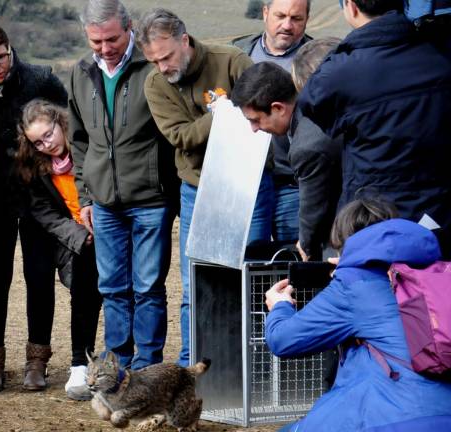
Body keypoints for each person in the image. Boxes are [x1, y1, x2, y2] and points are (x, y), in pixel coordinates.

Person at [264, 198, 451, 431]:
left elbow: (283, 341)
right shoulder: (450, 274)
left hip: (400, 416)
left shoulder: (353, 283)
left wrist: (280, 306)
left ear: (343, 242)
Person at [297, 0, 451, 260]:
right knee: (438, 295)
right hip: (439, 214)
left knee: (381, 296)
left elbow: (313, 102)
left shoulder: (344, 69)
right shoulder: (445, 51)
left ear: (351, 5)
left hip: (375, 219)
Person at [137, 7, 252, 367]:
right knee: (195, 285)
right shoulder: (155, 84)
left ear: (184, 40)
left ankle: (250, 366)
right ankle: (191, 367)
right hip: (196, 189)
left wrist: (229, 113)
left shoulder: (231, 62)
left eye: (167, 56)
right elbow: (181, 138)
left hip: (245, 187)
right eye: (153, 60)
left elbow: (260, 110)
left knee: (248, 277)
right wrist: (225, 112)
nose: (162, 66)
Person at [68, 0, 178, 371]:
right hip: (103, 202)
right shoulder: (81, 72)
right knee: (112, 288)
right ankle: (117, 365)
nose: (104, 48)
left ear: (128, 26)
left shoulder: (152, 68)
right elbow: (78, 140)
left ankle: (147, 368)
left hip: (151, 199)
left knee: (147, 288)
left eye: (111, 39)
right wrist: (85, 195)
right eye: (96, 41)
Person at [0, 20, 68, 392]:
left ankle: (36, 362)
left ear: (10, 48)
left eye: (2, 56)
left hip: (39, 198)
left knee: (40, 277)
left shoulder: (40, 79)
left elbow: (67, 125)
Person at [15, 99, 103, 401]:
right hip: (75, 235)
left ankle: (113, 360)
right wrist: (80, 235)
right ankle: (79, 363)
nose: (45, 145)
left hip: (105, 227)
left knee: (107, 292)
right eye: (37, 142)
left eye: (48, 135)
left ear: (61, 123)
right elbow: (43, 211)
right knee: (81, 287)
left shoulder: (90, 147)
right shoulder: (35, 166)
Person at [231, 41, 343, 262]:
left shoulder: (307, 145)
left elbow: (314, 208)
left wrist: (306, 245)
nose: (254, 129)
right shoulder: (312, 117)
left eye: (255, 120)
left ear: (278, 108)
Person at [232, 0, 313, 248]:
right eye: (280, 16)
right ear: (265, 13)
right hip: (249, 185)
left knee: (293, 262)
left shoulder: (317, 61)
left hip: (293, 186)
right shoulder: (238, 54)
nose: (287, 25)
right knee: (250, 261)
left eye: (296, 18)